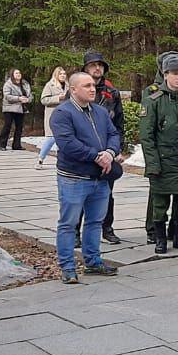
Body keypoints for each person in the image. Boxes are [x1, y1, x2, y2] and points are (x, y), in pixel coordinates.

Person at [50, 71, 120, 284]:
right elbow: (67, 144)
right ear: (73, 90)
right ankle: (68, 267)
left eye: (93, 85)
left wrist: (109, 152)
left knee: (95, 221)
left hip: (100, 178)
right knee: (69, 223)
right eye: (87, 85)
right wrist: (96, 156)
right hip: (74, 178)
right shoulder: (62, 113)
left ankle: (93, 261)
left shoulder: (99, 111)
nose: (92, 89)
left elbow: (114, 134)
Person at [140, 52, 178, 254]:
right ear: (165, 74)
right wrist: (153, 164)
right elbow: (147, 137)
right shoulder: (154, 100)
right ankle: (159, 238)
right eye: (174, 73)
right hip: (164, 161)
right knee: (160, 203)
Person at [83, 50, 127, 245]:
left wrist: (116, 150)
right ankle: (77, 232)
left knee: (107, 194)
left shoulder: (112, 92)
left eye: (100, 65)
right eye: (93, 65)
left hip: (107, 153)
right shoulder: (77, 90)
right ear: (85, 68)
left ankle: (107, 228)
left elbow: (119, 124)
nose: (97, 68)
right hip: (84, 154)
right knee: (81, 195)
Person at [37, 67, 68, 168]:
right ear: (56, 75)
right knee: (51, 138)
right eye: (60, 74)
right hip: (52, 115)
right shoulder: (50, 85)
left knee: (64, 138)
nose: (63, 75)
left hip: (66, 116)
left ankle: (62, 161)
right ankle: (40, 159)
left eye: (64, 74)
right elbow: (44, 100)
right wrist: (58, 98)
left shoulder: (68, 86)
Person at [0, 68, 32, 151]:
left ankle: (17, 145)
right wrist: (18, 98)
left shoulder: (25, 84)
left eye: (19, 73)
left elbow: (30, 94)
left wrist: (28, 99)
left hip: (21, 108)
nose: (18, 74)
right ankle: (2, 144)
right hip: (10, 108)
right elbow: (7, 96)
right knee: (7, 126)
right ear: (12, 74)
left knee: (19, 127)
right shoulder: (8, 84)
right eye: (16, 73)